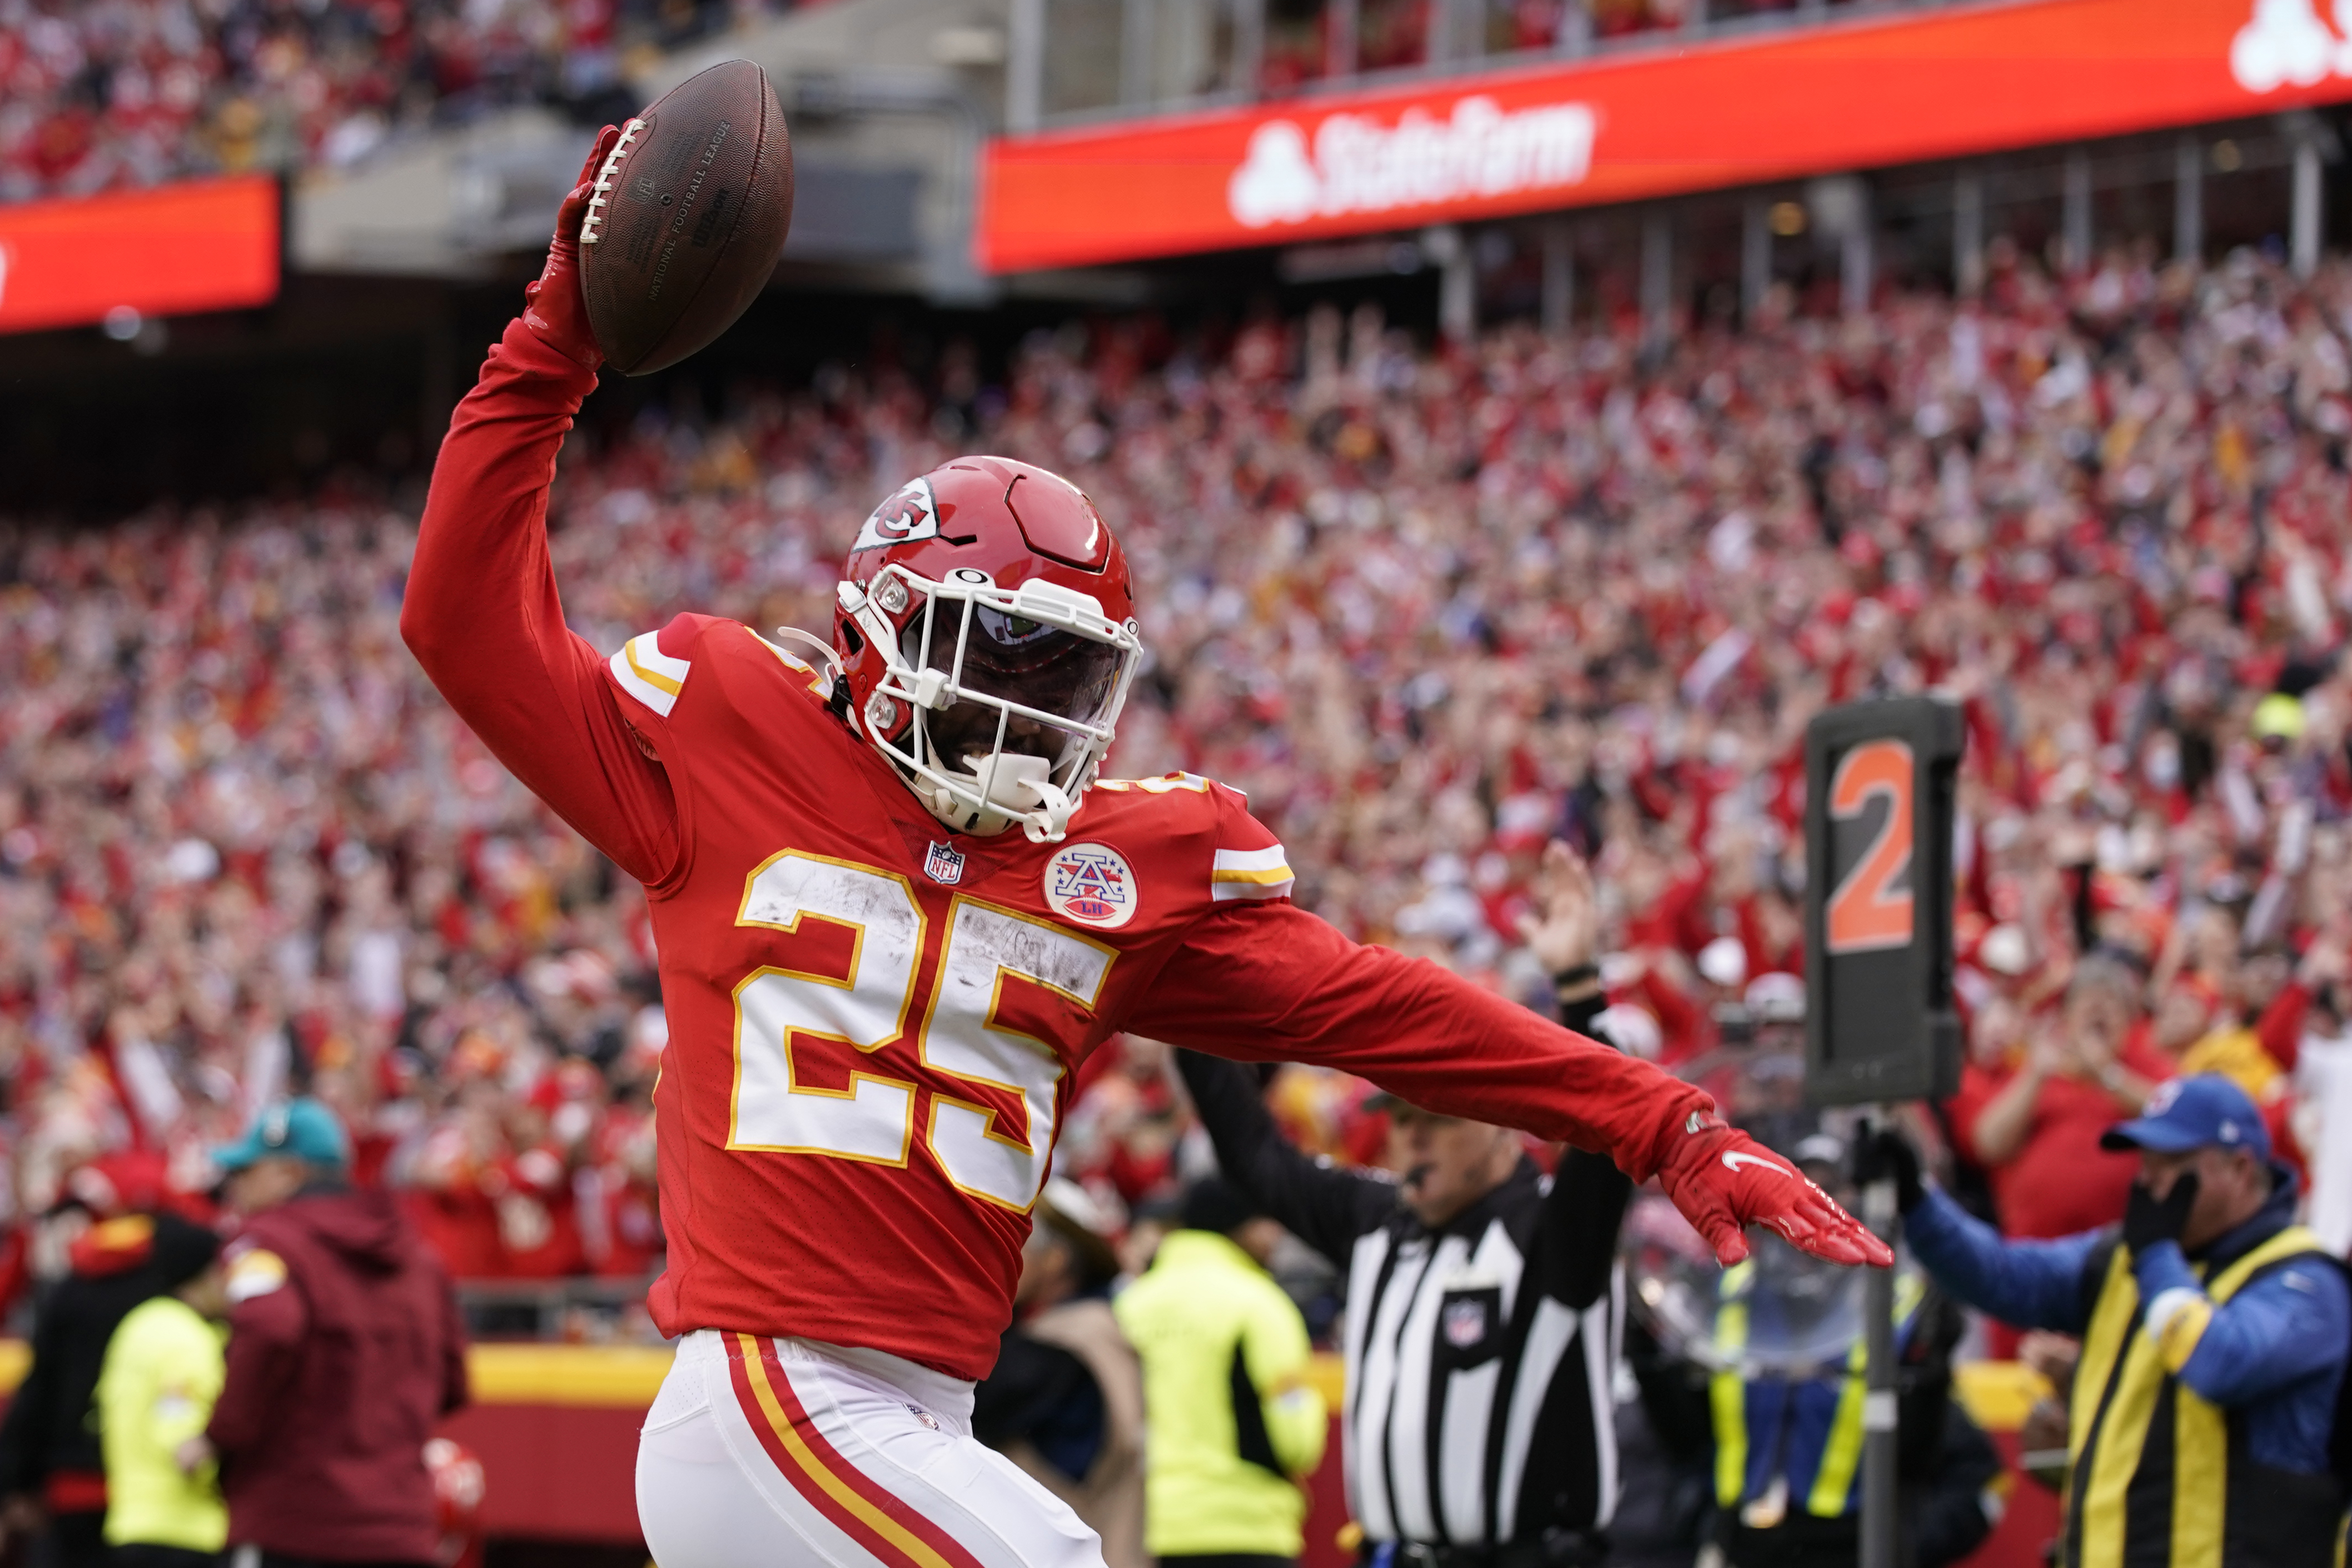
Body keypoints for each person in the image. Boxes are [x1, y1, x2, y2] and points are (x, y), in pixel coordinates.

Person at [400, 130, 1887, 1568]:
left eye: (1062, 677)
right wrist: (557, 336)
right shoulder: (732, 745)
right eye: (997, 654)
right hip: (770, 1391)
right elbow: (464, 622)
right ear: (879, 632)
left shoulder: (1114, 871)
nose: (1023, 710)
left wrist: (1657, 1117)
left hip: (916, 1409)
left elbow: (1390, 1016)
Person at [1174, 843, 1637, 1566]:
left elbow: (1611, 1129)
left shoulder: (1549, 1232)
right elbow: (1254, 1158)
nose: (1411, 1140)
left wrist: (1578, 986)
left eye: (1437, 1120)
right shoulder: (1378, 1221)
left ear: (1499, 1125)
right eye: (1400, 1119)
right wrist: (1180, 993)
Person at [1862, 1074, 2350, 1568]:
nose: (2148, 1184)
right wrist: (1918, 1200)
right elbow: (2003, 1275)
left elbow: (2222, 1363)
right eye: (2146, 1164)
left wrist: (2157, 1256)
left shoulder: (2303, 1280)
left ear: (2240, 1168)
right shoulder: (2121, 1258)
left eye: (2173, 1167)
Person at [197, 1097, 471, 1568]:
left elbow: (269, 1325)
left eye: (247, 1171)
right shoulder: (417, 1256)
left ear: (288, 1173)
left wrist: (220, 1436)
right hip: (401, 1527)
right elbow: (453, 1382)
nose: (234, 1187)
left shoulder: (267, 1239)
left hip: (295, 1523)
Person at [1706, 1133, 2000, 1568]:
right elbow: (1690, 1441)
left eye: (1831, 1189)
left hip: (1847, 1545)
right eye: (1800, 1187)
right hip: (1743, 1544)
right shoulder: (1734, 1301)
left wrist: (1907, 1545)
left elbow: (1950, 1462)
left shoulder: (1897, 1312)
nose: (1811, 1209)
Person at [1113, 1177, 1326, 1568]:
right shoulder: (1260, 1303)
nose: (1276, 1235)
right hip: (1244, 1528)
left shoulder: (1131, 1303)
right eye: (1267, 1221)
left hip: (1144, 1530)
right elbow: (1296, 1438)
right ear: (1240, 1226)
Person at [0, 1206, 202, 1568]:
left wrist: (17, 1480)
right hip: (159, 1497)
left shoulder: (72, 1286)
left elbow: (40, 1389)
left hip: (73, 1484)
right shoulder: (174, 1295)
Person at [974, 1180, 1147, 1568]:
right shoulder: (1096, 1322)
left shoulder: (1063, 1343)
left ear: (1055, 1259)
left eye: (1016, 1247)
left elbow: (981, 1403)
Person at [95, 1215, 230, 1568]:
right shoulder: (187, 1339)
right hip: (185, 1532)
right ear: (207, 1275)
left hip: (131, 1521)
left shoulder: (139, 1325)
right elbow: (180, 1433)